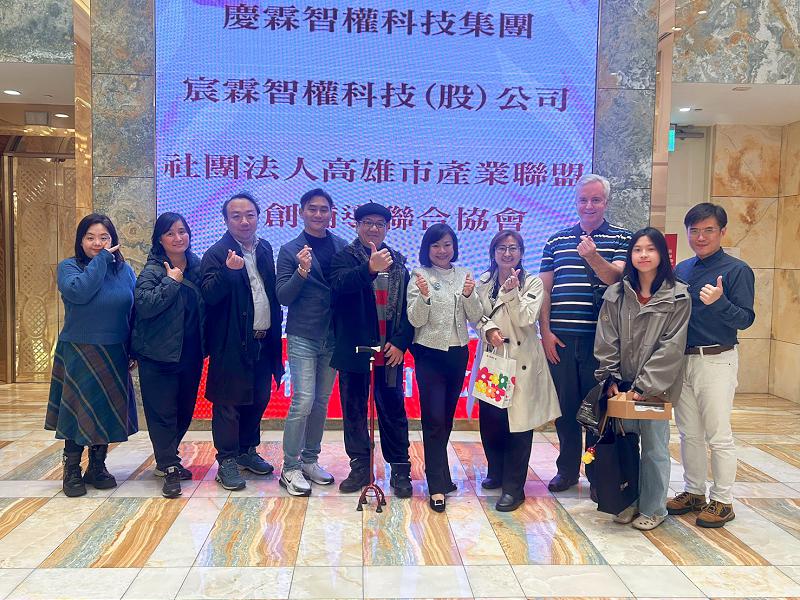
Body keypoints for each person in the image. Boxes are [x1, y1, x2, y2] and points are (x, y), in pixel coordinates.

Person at [539, 174, 632, 493]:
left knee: (597, 411)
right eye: (583, 199)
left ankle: (596, 474)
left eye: (596, 199)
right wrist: (545, 332)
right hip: (561, 340)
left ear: (606, 202)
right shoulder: (556, 240)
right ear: (575, 202)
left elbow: (616, 278)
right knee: (565, 411)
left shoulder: (622, 238)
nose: (589, 205)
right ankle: (566, 471)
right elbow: (544, 290)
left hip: (601, 343)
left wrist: (592, 255)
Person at [594, 227, 691, 530]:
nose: (644, 255)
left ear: (662, 254)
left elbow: (672, 346)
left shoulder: (678, 296)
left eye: (650, 249)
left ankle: (654, 508)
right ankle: (628, 501)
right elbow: (606, 338)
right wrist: (610, 377)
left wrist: (645, 386)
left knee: (655, 449)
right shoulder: (616, 294)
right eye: (637, 249)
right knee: (624, 446)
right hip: (621, 388)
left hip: (655, 390)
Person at [667, 203, 755, 528]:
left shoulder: (737, 270)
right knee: (689, 433)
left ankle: (723, 500)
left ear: (722, 232)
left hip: (717, 359)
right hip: (683, 360)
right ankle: (694, 492)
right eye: (695, 231)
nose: (700, 237)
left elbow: (745, 319)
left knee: (718, 434)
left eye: (708, 230)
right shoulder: (682, 269)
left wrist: (720, 303)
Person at [45, 213, 137, 497]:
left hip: (115, 349)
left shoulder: (125, 271)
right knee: (77, 412)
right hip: (79, 350)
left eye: (104, 238)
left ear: (113, 240)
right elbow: (80, 292)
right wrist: (101, 261)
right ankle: (71, 469)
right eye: (90, 237)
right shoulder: (69, 267)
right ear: (80, 240)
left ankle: (97, 466)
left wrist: (134, 348)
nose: (97, 243)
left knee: (105, 411)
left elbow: (133, 311)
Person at [470, 231, 561, 511]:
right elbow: (475, 316)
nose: (507, 253)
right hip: (494, 359)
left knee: (519, 425)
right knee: (491, 420)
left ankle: (514, 488)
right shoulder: (483, 282)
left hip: (521, 362)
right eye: (501, 248)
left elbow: (525, 318)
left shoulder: (532, 282)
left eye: (513, 248)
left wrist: (511, 293)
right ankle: (496, 471)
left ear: (521, 252)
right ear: (493, 252)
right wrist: (488, 330)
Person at [329, 201, 414, 497]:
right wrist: (368, 268)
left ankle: (400, 469)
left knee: (393, 410)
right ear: (357, 226)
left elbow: (410, 309)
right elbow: (339, 286)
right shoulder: (343, 258)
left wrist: (401, 342)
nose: (373, 228)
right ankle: (360, 467)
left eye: (379, 224)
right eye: (367, 223)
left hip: (390, 351)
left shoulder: (399, 262)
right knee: (353, 411)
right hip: (355, 349)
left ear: (387, 228)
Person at [201, 192, 284, 491]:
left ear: (258, 217)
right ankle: (227, 461)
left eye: (250, 215)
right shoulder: (216, 253)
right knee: (228, 404)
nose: (244, 221)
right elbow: (208, 295)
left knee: (258, 398)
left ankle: (247, 450)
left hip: (264, 340)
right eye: (236, 216)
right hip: (231, 342)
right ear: (226, 220)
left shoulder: (265, 248)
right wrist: (228, 272)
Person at [407, 224, 483, 512]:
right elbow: (415, 320)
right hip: (429, 353)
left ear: (454, 247)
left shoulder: (464, 275)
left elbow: (475, 316)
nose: (442, 251)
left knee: (447, 418)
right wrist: (424, 297)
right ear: (427, 248)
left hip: (458, 353)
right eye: (436, 245)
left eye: (447, 244)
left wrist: (469, 296)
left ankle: (442, 474)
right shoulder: (419, 275)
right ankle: (436, 484)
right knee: (434, 418)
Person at [276, 189, 347, 496]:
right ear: (301, 212)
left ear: (331, 213)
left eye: (324, 209)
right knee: (303, 400)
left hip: (333, 336)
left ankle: (309, 460)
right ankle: (289, 467)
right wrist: (302, 271)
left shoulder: (342, 246)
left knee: (320, 402)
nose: (318, 214)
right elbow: (283, 296)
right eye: (312, 209)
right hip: (303, 334)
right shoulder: (290, 250)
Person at [131, 212, 205, 499]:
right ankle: (169, 465)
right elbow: (145, 306)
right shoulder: (152, 271)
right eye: (170, 233)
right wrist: (171, 282)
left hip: (190, 354)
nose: (178, 238)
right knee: (162, 413)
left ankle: (167, 459)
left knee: (184, 410)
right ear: (159, 239)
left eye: (182, 231)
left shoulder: (197, 267)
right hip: (158, 355)